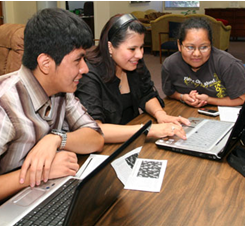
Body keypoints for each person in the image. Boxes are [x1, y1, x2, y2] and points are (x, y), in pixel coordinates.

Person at [0, 8, 104, 225]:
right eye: (78, 60)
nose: (85, 69)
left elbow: (95, 137)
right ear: (46, 63)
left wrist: (55, 139)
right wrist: (37, 173)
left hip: (29, 198)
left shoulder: (61, 90)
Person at [75, 14, 190, 144]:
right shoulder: (89, 74)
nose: (140, 54)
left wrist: (160, 115)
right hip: (106, 148)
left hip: (132, 138)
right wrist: (148, 129)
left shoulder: (135, 63)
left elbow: (146, 94)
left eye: (141, 47)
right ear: (110, 47)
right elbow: (94, 130)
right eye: (132, 49)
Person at [162, 17, 245, 108]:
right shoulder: (170, 64)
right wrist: (182, 97)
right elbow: (170, 92)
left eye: (204, 47)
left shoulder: (228, 65)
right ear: (179, 45)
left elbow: (243, 99)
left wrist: (209, 100)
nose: (197, 54)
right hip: (187, 113)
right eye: (190, 47)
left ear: (211, 45)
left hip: (224, 114)